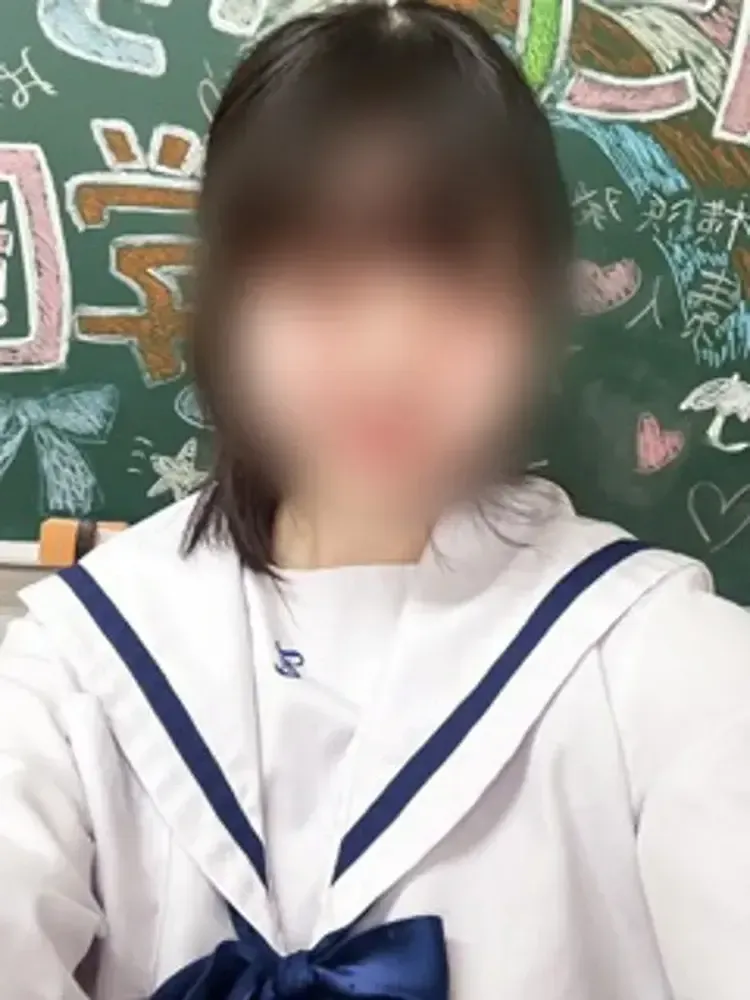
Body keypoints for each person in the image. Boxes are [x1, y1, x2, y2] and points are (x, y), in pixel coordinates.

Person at [1, 2, 749, 997]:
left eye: (462, 285)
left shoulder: (659, 651)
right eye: (323, 277)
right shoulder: (77, 659)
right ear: (227, 300)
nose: (391, 354)